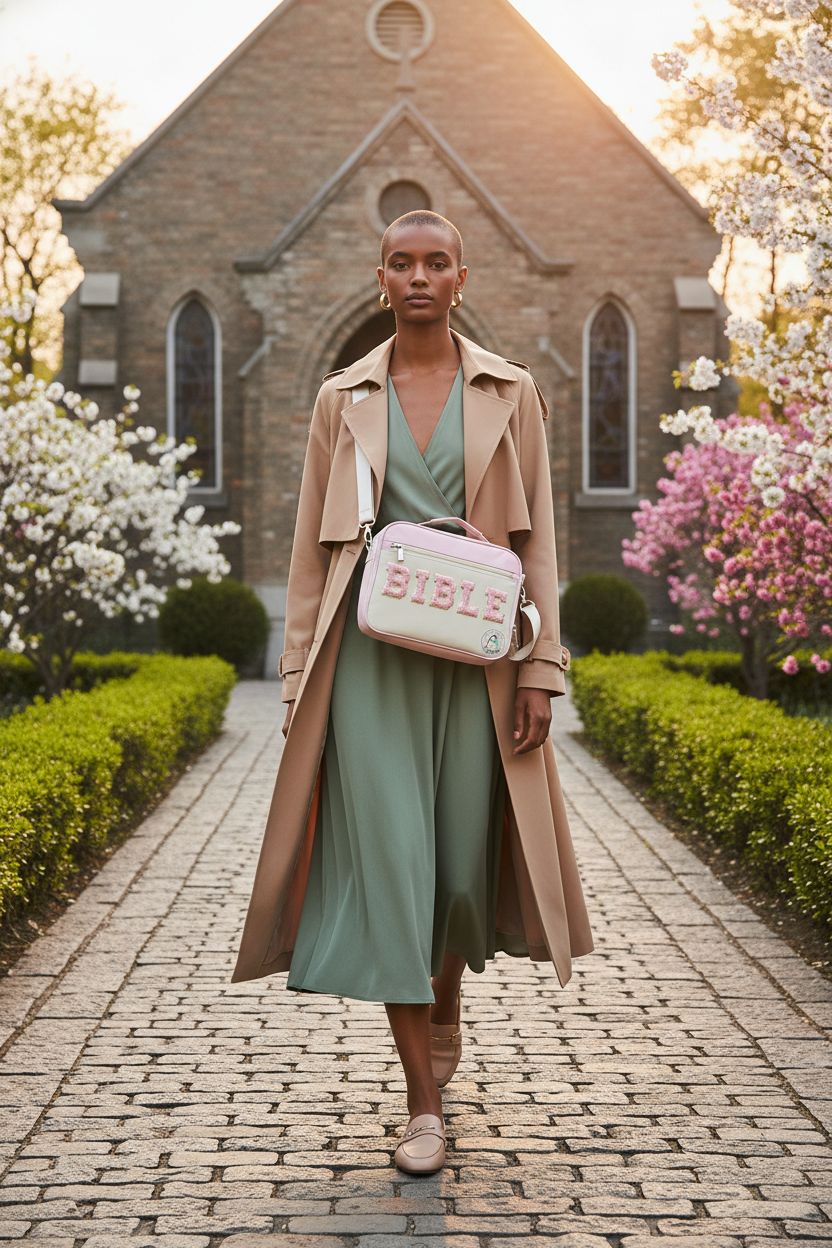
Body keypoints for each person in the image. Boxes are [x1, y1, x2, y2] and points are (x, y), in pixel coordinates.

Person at [230, 209, 593, 1176]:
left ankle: (440, 1016)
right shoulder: (338, 398)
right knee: (394, 869)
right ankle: (423, 1105)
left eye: (437, 262)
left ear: (461, 276)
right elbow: (310, 549)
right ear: (380, 277)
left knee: (461, 882)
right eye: (403, 263)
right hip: (370, 662)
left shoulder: (512, 393)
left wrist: (540, 668)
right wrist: (302, 674)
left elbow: (540, 544)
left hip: (476, 659)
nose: (420, 276)